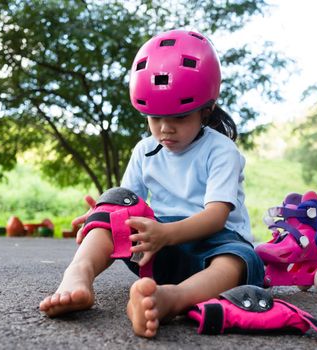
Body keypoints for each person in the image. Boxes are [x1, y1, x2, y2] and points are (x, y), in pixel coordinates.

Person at [39, 29, 265, 338]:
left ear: (206, 110)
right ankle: (78, 275)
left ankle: (170, 299)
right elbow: (128, 204)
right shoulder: (144, 150)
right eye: (154, 117)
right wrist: (100, 218)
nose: (165, 129)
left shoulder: (221, 150)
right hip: (154, 248)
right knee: (116, 199)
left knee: (242, 261)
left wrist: (167, 233)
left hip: (213, 245)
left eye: (180, 118)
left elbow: (217, 216)